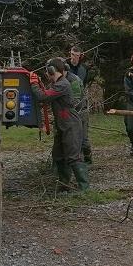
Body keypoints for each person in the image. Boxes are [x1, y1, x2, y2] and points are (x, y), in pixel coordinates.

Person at [30, 58, 89, 191]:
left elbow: (42, 96)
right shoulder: (56, 84)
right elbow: (46, 94)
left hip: (71, 124)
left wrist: (33, 83)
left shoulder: (62, 84)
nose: (46, 74)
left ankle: (85, 188)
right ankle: (64, 185)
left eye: (47, 71)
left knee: (73, 156)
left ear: (51, 70)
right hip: (62, 124)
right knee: (59, 155)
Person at [64, 62, 93, 165]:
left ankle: (88, 161)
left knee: (83, 139)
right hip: (71, 112)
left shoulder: (73, 80)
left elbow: (76, 101)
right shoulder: (62, 79)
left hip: (80, 112)